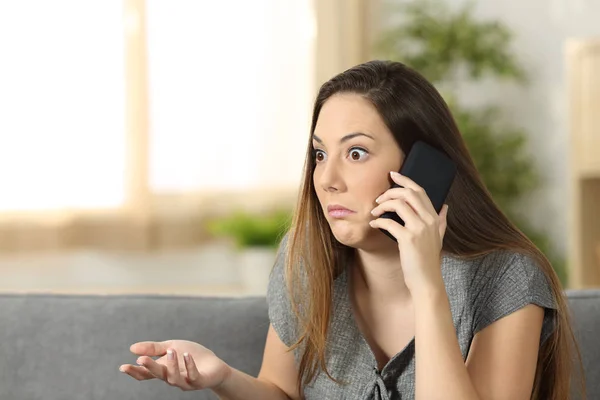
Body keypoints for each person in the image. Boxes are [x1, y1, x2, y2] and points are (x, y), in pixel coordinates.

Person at [119, 60, 584, 399]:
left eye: (356, 153)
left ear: (425, 167)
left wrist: (426, 283)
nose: (326, 178)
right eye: (320, 154)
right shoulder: (304, 260)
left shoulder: (506, 279)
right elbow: (283, 393)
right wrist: (222, 377)